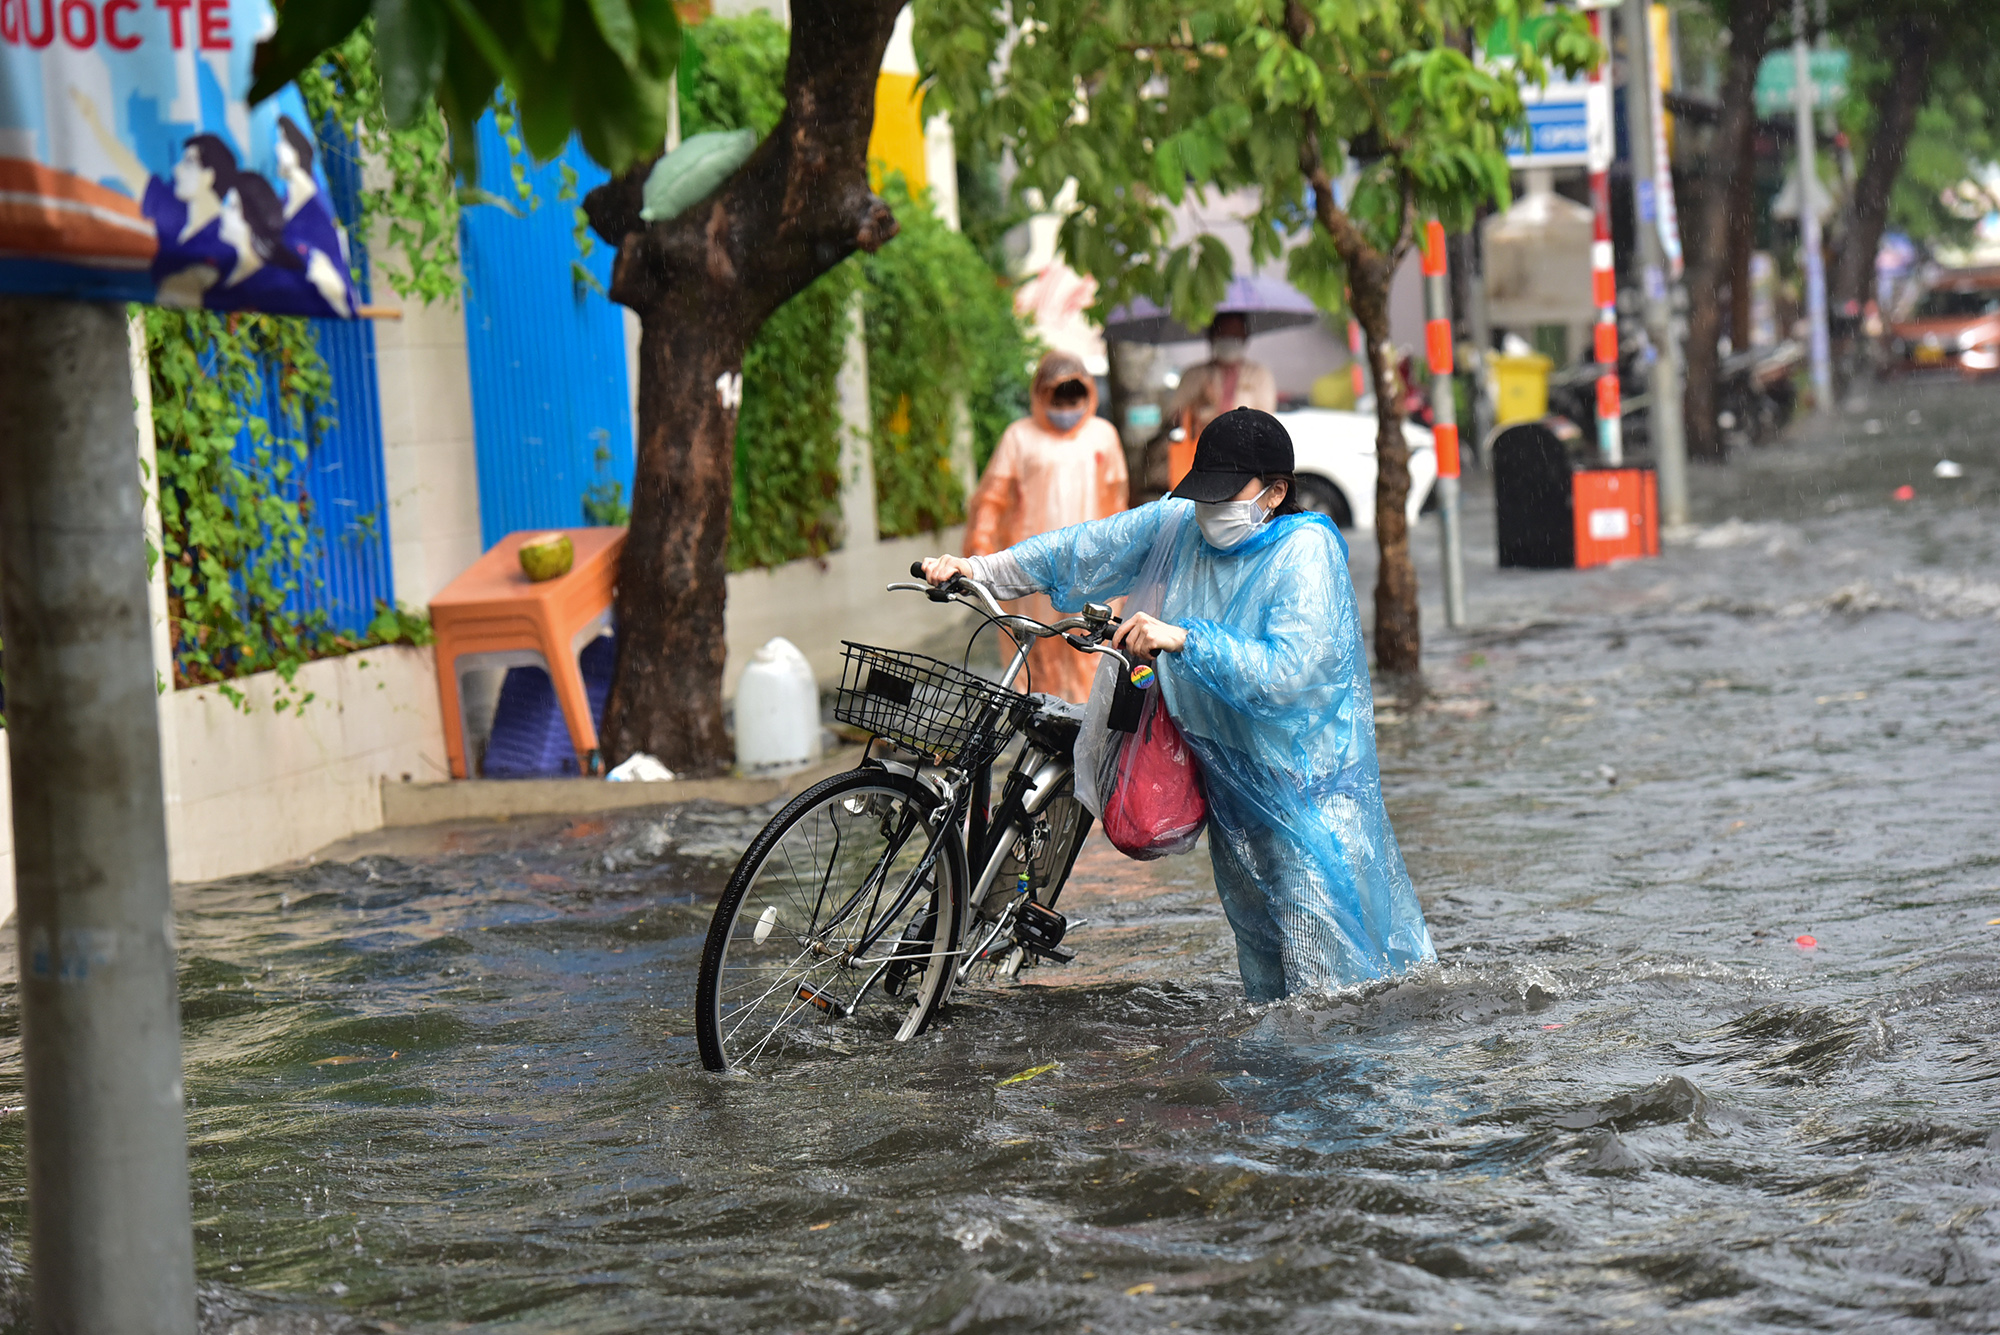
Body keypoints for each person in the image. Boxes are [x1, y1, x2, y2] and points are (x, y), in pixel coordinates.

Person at [923, 407, 1434, 1000]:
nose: (1210, 509)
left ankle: (1345, 1085)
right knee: (1264, 970)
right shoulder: (1181, 526)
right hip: (1231, 781)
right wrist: (977, 569)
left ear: (1275, 492)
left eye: (1226, 494)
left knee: (1323, 977)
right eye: (1203, 494)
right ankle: (1276, 1090)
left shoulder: (1306, 553)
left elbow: (1291, 676)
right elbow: (1081, 549)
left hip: (1308, 789)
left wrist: (1187, 638)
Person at [963, 351, 1128, 703]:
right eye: (1059, 397)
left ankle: (1083, 744)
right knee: (1036, 652)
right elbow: (992, 499)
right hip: (1031, 568)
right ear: (1040, 394)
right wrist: (980, 552)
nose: (1067, 407)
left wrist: (1124, 565)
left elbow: (1117, 507)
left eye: (1074, 397)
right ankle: (1043, 738)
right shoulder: (1019, 438)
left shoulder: (1102, 436)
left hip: (1091, 567)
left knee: (1089, 651)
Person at [1162, 311, 1278, 487]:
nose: (1229, 339)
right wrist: (1199, 402)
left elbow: (1265, 422)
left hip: (1246, 465)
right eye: (1224, 334)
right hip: (1200, 465)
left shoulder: (1260, 376)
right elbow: (1173, 419)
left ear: (1245, 337)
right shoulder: (1194, 375)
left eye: (1235, 335)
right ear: (1211, 337)